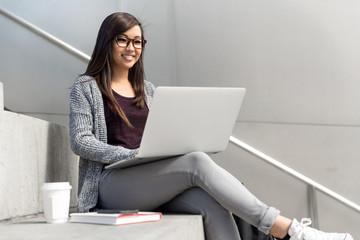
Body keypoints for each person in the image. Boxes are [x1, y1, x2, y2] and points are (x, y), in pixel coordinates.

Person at [69, 12, 353, 240]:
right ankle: (288, 229)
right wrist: (128, 154)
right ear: (107, 41)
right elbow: (80, 141)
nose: (132, 48)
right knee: (195, 162)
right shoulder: (86, 88)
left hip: (149, 177)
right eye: (123, 40)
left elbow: (162, 137)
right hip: (110, 184)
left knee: (212, 205)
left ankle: (288, 231)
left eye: (138, 42)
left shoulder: (148, 90)